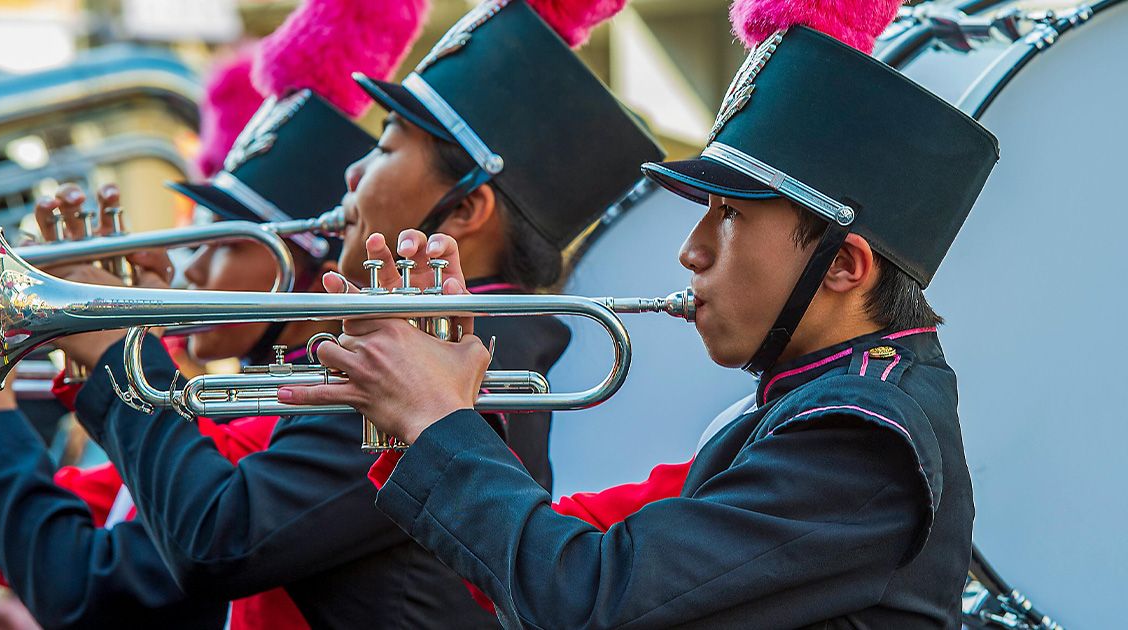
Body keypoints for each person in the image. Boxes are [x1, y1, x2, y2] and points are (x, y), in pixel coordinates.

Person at [0, 1, 662, 628]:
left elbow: (213, 540)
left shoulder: (432, 351)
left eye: (383, 148)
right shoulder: (440, 342)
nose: (352, 173)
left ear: (466, 209)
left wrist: (118, 353)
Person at [278, 0, 1002, 628]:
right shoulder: (824, 401)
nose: (690, 251)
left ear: (845, 265)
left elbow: (585, 600)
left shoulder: (855, 436)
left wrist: (438, 422)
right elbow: (557, 555)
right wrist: (441, 413)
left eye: (728, 216)